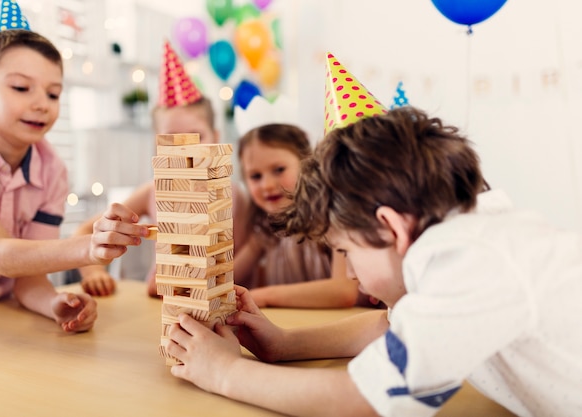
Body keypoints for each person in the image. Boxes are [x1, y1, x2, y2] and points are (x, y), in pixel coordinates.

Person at [163, 55, 582, 416]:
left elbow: (364, 400)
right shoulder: (463, 235)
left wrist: (223, 372)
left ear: (391, 227)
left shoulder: (472, 260)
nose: (351, 276)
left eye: (345, 249)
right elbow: (390, 327)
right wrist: (283, 345)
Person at [0, 24, 147, 331]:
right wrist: (88, 248)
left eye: (53, 93)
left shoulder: (52, 169)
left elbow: (27, 273)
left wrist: (54, 303)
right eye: (21, 87)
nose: (42, 103)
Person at [74, 41, 220, 297]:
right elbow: (84, 230)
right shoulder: (151, 192)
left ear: (216, 138)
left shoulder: (232, 196)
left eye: (196, 136)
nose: (185, 147)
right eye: (172, 138)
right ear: (157, 144)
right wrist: (94, 271)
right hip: (159, 308)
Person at [234, 122, 374, 308]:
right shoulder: (265, 229)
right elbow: (229, 275)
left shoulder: (332, 217)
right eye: (255, 176)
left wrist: (264, 296)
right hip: (293, 328)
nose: (267, 185)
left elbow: (344, 291)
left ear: (307, 163)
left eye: (279, 170)